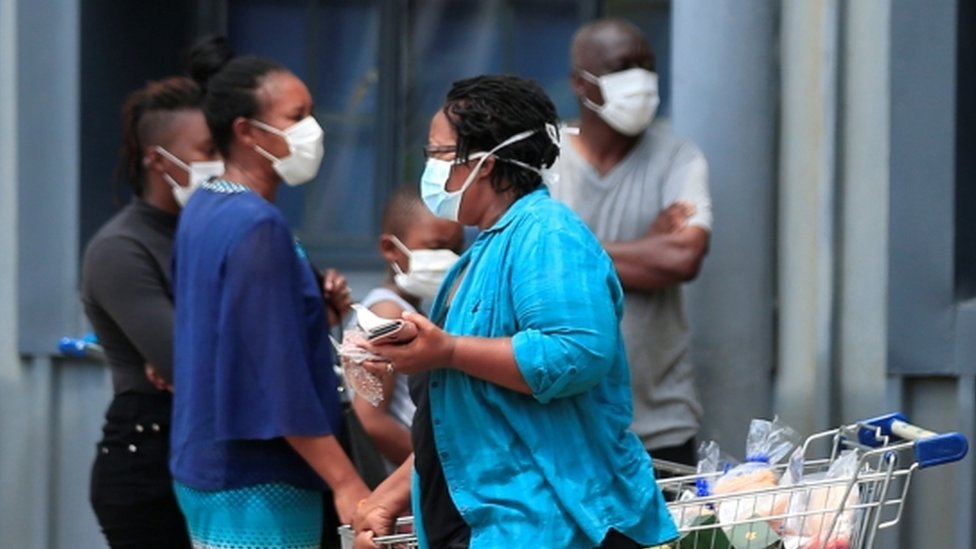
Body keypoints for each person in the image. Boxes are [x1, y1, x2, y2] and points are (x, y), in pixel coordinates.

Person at [352, 74, 678, 549]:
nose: (432, 168)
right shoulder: (481, 253)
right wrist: (392, 495)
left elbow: (576, 352)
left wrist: (447, 349)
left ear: (483, 162)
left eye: (439, 153)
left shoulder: (549, 234)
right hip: (482, 523)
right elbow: (464, 412)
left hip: (546, 525)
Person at [169, 36, 369, 549]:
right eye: (295, 117)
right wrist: (347, 482)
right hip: (259, 480)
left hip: (205, 461)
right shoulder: (258, 225)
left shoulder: (204, 206)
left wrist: (310, 313)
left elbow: (232, 328)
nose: (312, 131)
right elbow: (274, 376)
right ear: (245, 131)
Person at [549, 18, 713, 466]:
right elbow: (525, 268)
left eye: (647, 65)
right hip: (563, 421)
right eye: (623, 67)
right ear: (581, 84)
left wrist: (566, 252)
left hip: (661, 425)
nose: (639, 80)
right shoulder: (543, 159)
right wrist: (645, 245)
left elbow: (683, 256)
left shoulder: (678, 156)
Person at [81, 75, 221, 548]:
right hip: (150, 459)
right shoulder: (122, 247)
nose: (219, 163)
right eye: (206, 149)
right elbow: (187, 364)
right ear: (159, 162)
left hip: (213, 448)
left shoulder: (217, 231)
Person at [350, 184, 463, 473]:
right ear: (390, 249)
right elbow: (371, 420)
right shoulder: (387, 315)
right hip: (404, 484)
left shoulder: (415, 312)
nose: (449, 260)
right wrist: (440, 469)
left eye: (456, 249)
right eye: (436, 247)